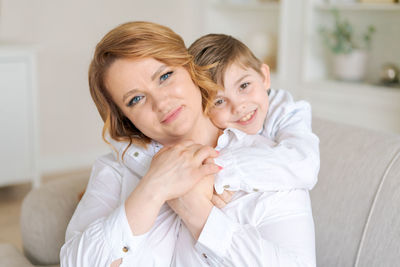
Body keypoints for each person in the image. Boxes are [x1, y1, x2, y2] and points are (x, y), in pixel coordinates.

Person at [60, 21, 315, 267]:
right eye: (136, 99)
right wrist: (153, 189)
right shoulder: (115, 170)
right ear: (125, 119)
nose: (161, 102)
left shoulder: (267, 160)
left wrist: (199, 214)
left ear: (191, 69)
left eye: (165, 76)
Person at [188, 33, 320, 195]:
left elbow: (304, 165)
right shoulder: (208, 130)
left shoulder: (285, 111)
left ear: (264, 76)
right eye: (219, 101)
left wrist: (215, 168)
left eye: (244, 86)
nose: (238, 106)